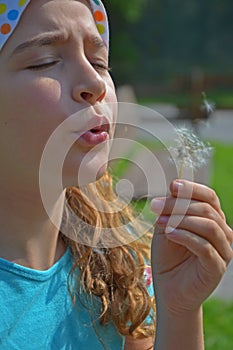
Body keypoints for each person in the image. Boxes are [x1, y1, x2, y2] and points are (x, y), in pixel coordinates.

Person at [0, 1, 232, 349]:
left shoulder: (115, 269)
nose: (95, 82)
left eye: (99, 62)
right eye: (44, 61)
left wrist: (179, 310)